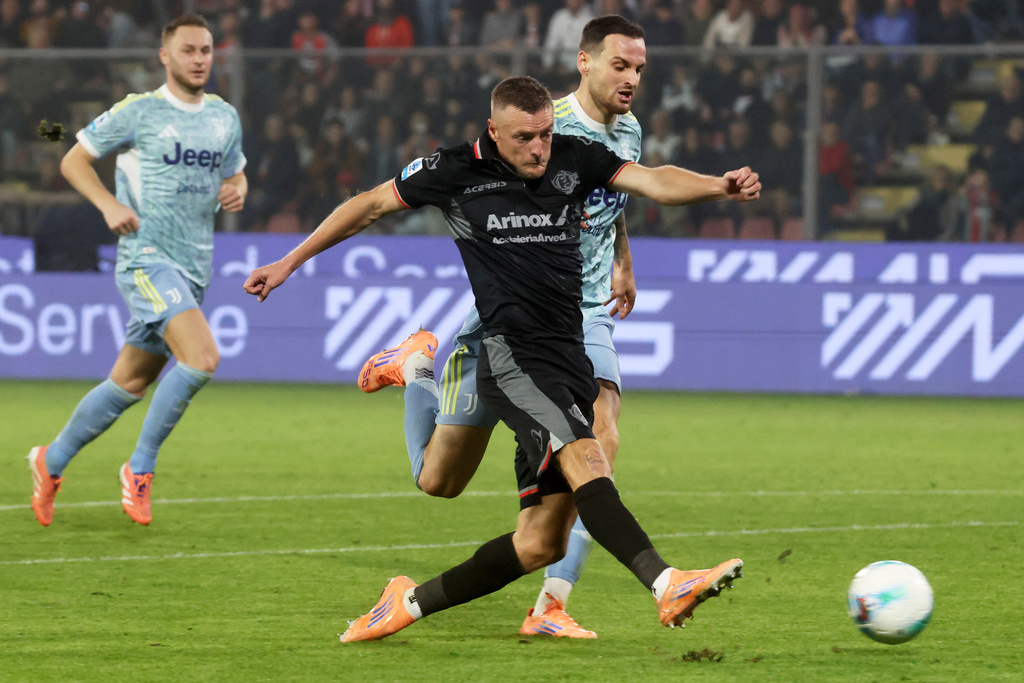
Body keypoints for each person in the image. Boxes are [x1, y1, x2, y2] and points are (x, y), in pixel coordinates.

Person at [244, 74, 759, 642]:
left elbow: (653, 181)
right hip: (510, 355)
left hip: (566, 355)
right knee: (589, 455)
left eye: (543, 134)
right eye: (522, 138)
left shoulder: (574, 157)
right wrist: (287, 264)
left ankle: (406, 602)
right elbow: (368, 206)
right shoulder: (454, 169)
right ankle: (667, 584)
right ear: (493, 131)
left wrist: (720, 187)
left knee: (538, 540)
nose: (537, 148)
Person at [364, 14, 650, 640]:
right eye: (620, 66)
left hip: (582, 311)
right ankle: (416, 368)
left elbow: (609, 198)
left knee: (600, 438)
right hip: (511, 321)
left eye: (638, 69)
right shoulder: (546, 125)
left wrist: (623, 261)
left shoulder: (626, 130)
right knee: (439, 481)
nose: (630, 80)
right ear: (585, 62)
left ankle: (551, 601)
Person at [27, 13, 247, 527]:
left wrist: (239, 188)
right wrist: (107, 205)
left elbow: (236, 170)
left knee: (128, 382)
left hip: (195, 264)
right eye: (189, 50)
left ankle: (50, 460)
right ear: (164, 57)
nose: (199, 59)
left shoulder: (223, 117)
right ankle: (139, 467)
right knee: (203, 357)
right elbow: (72, 161)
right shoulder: (139, 112)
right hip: (147, 257)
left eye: (206, 51)